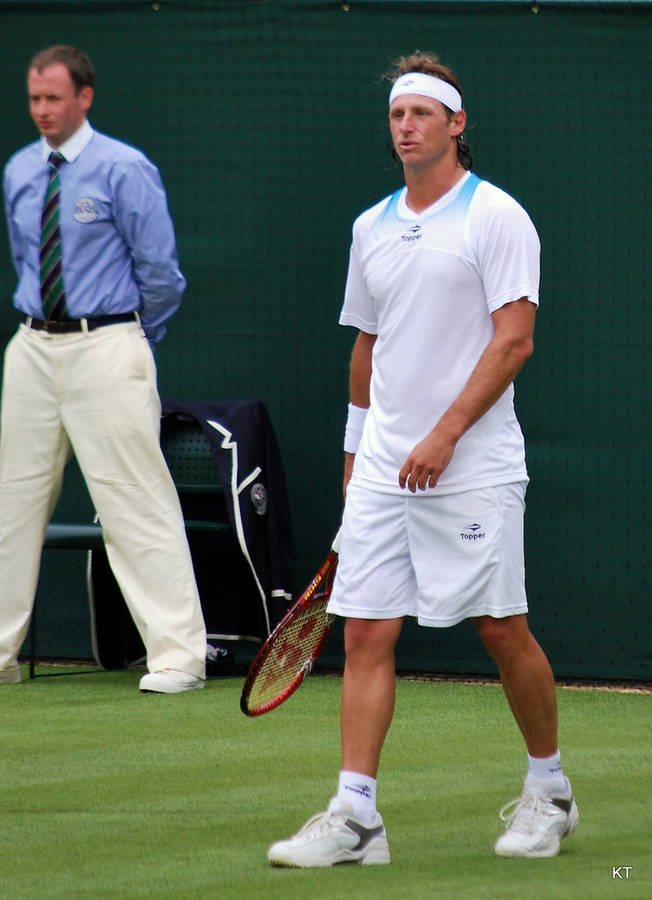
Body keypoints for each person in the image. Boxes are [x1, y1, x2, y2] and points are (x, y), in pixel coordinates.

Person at [268, 51, 579, 866]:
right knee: (367, 631)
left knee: (500, 628)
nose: (405, 126)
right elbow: (368, 344)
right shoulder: (370, 227)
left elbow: (516, 340)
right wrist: (353, 447)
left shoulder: (497, 218)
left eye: (421, 114)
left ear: (456, 124)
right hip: (381, 466)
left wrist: (444, 434)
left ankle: (549, 792)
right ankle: (357, 818)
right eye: (397, 115)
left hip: (472, 463)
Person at [0, 45, 207, 694]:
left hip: (109, 342)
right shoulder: (18, 171)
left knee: (133, 499)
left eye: (53, 98)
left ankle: (179, 658)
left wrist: (129, 337)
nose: (42, 111)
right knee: (11, 502)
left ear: (84, 97)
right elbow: (24, 258)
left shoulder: (125, 168)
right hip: (31, 348)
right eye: (34, 99)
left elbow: (161, 274)